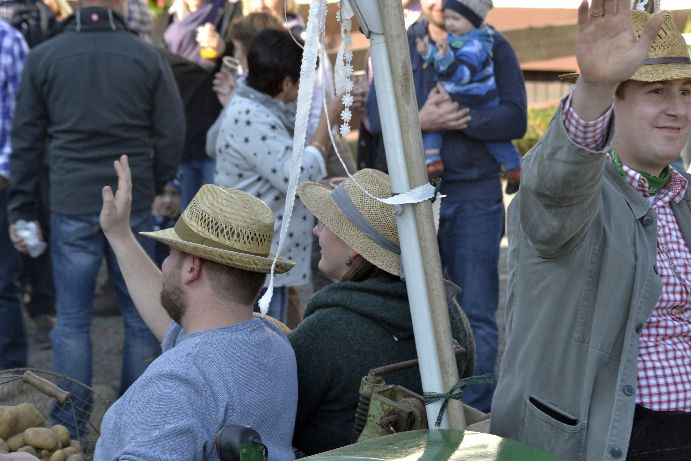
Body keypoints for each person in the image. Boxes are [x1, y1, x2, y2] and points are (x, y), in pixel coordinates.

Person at [491, 4, 691, 460]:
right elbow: (556, 186)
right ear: (613, 103)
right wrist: (594, 88)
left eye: (685, 91)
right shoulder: (578, 194)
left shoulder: (682, 196)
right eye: (657, 91)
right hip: (611, 438)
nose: (677, 109)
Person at [7, 0, 185, 430]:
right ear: (119, 5)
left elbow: (25, 138)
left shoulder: (44, 56)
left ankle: (69, 422)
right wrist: (160, 180)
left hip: (72, 198)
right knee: (140, 313)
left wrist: (22, 206)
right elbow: (172, 128)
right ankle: (138, 419)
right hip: (131, 197)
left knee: (71, 320)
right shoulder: (146, 55)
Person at [366, 0, 526, 412]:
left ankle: (473, 414)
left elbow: (516, 119)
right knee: (410, 308)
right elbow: (374, 118)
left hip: (476, 195)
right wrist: (421, 119)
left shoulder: (494, 45)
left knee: (476, 312)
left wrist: (463, 117)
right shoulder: (399, 41)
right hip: (415, 195)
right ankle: (418, 410)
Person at [90, 155, 297, 461]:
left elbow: (192, 366)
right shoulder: (273, 342)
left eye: (170, 253)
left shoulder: (177, 382)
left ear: (192, 268)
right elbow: (189, 335)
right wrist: (120, 236)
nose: (165, 265)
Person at [290, 169, 476, 455]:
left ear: (354, 248)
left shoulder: (323, 333)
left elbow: (278, 425)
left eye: (325, 223)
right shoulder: (447, 315)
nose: (316, 231)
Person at [213, 28, 339, 323]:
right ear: (286, 83)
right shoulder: (251, 115)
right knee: (263, 337)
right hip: (256, 258)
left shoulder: (257, 107)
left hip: (265, 253)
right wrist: (326, 125)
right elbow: (295, 177)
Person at [415, 0, 521, 189]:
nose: (449, 23)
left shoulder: (477, 45)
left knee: (495, 140)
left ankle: (514, 168)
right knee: (433, 129)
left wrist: (445, 57)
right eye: (448, 18)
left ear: (473, 21)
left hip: (476, 98)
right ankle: (432, 163)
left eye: (455, 19)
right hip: (457, 96)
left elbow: (462, 74)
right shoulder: (452, 38)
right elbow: (438, 59)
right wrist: (427, 52)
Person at [0, 19, 28, 370]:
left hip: (1, 181)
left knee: (3, 281)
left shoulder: (9, 40)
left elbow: (25, 115)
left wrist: (5, 170)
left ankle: (8, 370)